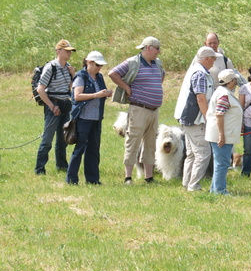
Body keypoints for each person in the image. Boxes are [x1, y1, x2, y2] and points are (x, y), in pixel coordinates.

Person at [108, 36, 165, 185]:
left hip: (154, 110)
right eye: (157, 48)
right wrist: (127, 87)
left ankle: (148, 177)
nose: (159, 52)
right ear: (148, 48)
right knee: (133, 141)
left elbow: (161, 76)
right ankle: (128, 177)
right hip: (139, 109)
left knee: (151, 143)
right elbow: (113, 73)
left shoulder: (157, 63)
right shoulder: (133, 62)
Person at [66, 51, 113, 185]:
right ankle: (71, 179)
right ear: (89, 62)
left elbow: (100, 93)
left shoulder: (99, 77)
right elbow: (77, 96)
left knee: (93, 149)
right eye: (97, 65)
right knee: (79, 148)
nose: (99, 68)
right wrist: (96, 95)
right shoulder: (81, 76)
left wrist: (106, 94)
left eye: (101, 65)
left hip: (96, 118)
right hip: (83, 118)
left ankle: (93, 179)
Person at [174, 46, 218, 191]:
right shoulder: (200, 74)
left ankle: (187, 183)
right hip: (195, 120)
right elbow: (201, 99)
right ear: (206, 58)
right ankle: (194, 185)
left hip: (187, 119)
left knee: (192, 154)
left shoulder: (195, 70)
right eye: (213, 58)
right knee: (203, 153)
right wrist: (208, 118)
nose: (214, 61)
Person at [35, 39, 76, 175]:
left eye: (70, 51)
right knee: (47, 139)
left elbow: (72, 88)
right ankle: (40, 169)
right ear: (58, 52)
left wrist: (73, 75)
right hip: (54, 104)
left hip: (65, 104)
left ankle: (62, 166)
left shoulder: (68, 67)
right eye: (67, 51)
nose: (70, 53)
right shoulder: (50, 67)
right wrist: (52, 106)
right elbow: (40, 89)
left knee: (63, 138)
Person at [205, 69, 243, 195]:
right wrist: (221, 135)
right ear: (230, 81)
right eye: (235, 80)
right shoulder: (224, 95)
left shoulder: (223, 92)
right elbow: (219, 115)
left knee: (220, 163)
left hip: (224, 133)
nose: (236, 82)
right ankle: (220, 191)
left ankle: (214, 189)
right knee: (222, 163)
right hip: (222, 134)